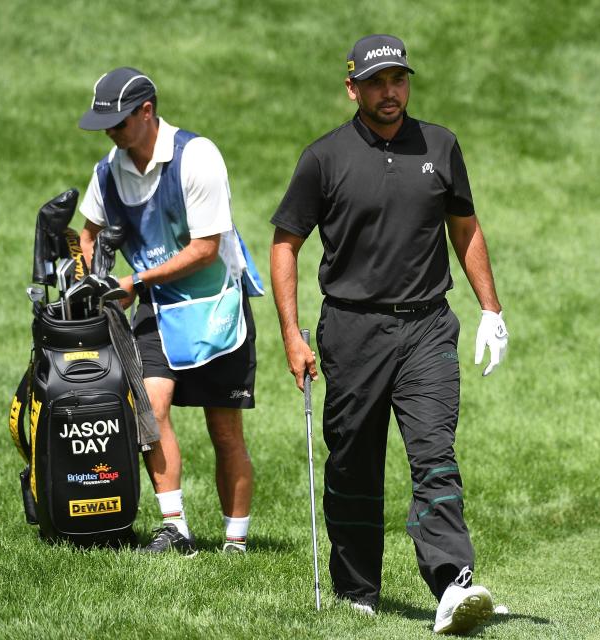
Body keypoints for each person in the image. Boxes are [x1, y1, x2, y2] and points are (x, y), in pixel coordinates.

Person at [269, 35, 509, 635]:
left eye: (398, 80)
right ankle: (357, 589)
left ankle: (453, 584)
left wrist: (491, 310)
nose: (389, 92)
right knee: (353, 462)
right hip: (352, 330)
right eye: (376, 83)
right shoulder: (323, 158)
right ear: (352, 88)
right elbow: (285, 244)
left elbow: (465, 227)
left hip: (428, 326)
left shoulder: (441, 146)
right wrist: (292, 335)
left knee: (434, 455)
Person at [77, 67, 258, 556]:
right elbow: (88, 231)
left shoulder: (197, 157)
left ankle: (235, 543)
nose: (110, 133)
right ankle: (176, 529)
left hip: (217, 305)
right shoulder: (108, 171)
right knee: (151, 412)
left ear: (147, 112)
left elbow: (205, 248)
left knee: (224, 430)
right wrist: (90, 273)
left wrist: (134, 281)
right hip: (159, 306)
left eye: (117, 122)